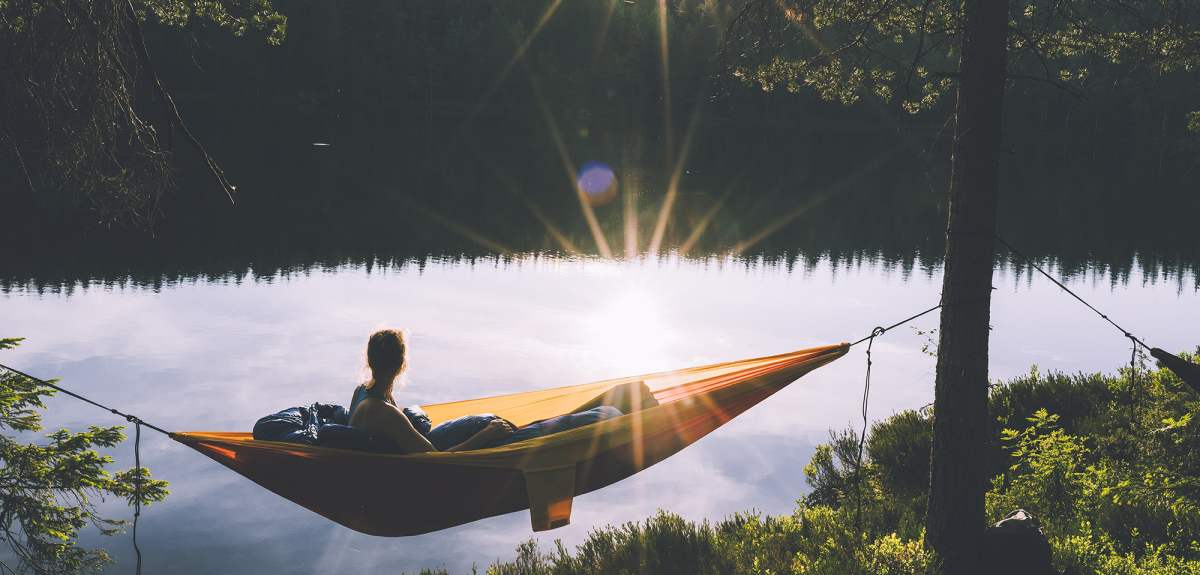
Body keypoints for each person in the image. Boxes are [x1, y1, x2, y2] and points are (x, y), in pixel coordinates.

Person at [348, 329, 515, 452]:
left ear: (370, 361)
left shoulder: (361, 392)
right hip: (406, 474)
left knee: (487, 423)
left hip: (372, 467)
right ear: (401, 366)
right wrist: (487, 434)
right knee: (488, 424)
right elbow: (435, 459)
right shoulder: (387, 413)